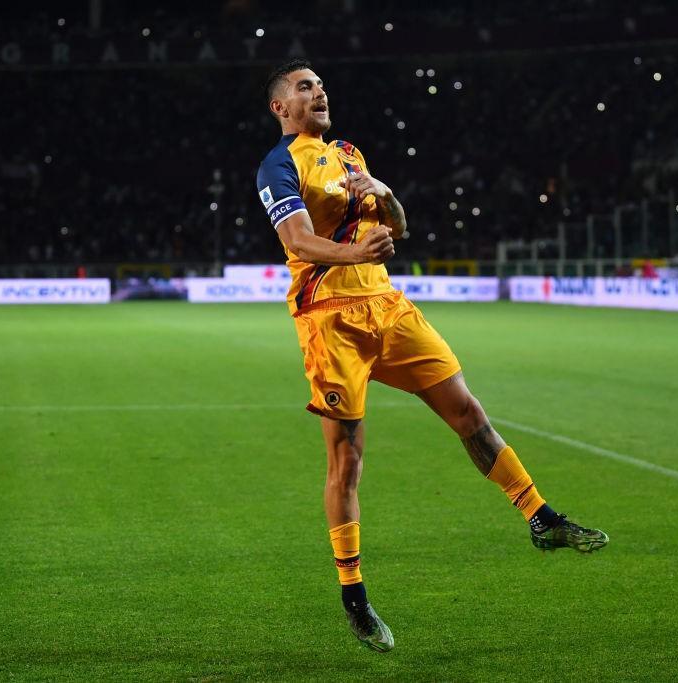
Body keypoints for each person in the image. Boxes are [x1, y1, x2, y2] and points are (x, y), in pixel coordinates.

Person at [255, 59, 608, 652]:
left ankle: (541, 518)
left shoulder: (349, 154)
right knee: (347, 459)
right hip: (330, 319)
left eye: (321, 85)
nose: (319, 92)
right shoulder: (277, 164)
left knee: (469, 413)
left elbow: (398, 227)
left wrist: (387, 198)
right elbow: (294, 241)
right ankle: (355, 595)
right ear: (280, 107)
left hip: (389, 308)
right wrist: (358, 253)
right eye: (304, 86)